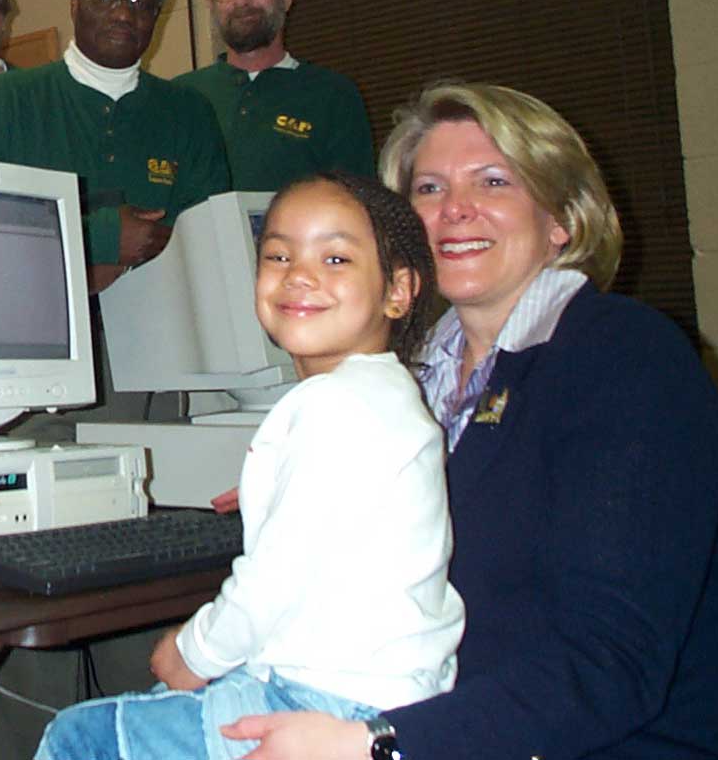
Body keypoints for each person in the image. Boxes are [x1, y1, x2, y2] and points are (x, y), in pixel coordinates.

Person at [219, 82, 718, 759]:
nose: (455, 211)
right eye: (430, 190)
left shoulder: (626, 358)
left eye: (493, 182)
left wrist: (376, 744)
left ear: (562, 218)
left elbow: (611, 667)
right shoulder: (413, 387)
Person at [36, 170, 464, 760]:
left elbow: (273, 580)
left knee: (79, 738)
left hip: (326, 699)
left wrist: (191, 654)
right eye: (278, 254)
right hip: (389, 690)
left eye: (335, 258)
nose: (300, 275)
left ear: (399, 290)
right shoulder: (384, 394)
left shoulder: (336, 404)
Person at [0, 0, 231, 292]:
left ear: (156, 18)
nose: (122, 13)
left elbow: (208, 238)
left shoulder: (190, 113)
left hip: (161, 330)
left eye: (140, 2)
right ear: (74, 5)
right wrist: (99, 237)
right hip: (33, 326)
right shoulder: (4, 103)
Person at [174, 0, 371, 190]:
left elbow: (356, 206)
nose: (242, 0)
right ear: (211, 3)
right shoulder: (180, 97)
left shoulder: (333, 96)